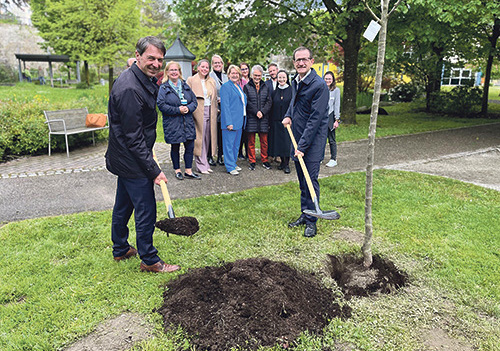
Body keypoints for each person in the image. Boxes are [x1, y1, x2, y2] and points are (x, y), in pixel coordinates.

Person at [105, 36, 180, 273]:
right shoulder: (129, 88)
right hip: (131, 159)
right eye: (151, 58)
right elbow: (133, 137)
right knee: (145, 207)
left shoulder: (140, 78)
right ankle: (149, 259)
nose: (156, 64)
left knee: (123, 205)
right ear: (138, 56)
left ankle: (120, 248)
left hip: (127, 156)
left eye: (160, 59)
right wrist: (154, 170)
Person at [282, 46, 330, 238]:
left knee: (311, 181)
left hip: (312, 141)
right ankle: (305, 212)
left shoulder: (319, 85)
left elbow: (316, 119)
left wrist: (302, 146)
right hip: (298, 138)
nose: (301, 63)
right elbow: (293, 103)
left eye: (304, 59)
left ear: (312, 61)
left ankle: (312, 221)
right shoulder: (297, 81)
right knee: (302, 181)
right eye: (297, 60)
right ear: (294, 63)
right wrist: (287, 115)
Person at [157, 61, 200, 181]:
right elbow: (161, 105)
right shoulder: (164, 87)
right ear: (167, 72)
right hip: (173, 123)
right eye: (171, 70)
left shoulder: (185, 86)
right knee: (175, 147)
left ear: (179, 72)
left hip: (187, 122)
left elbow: (194, 102)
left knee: (190, 146)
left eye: (176, 70)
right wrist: (177, 110)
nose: (174, 72)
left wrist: (188, 108)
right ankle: (177, 170)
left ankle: (188, 171)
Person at [187, 60, 218, 175]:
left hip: (210, 111)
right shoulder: (191, 80)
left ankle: (206, 163)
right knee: (200, 139)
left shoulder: (211, 81)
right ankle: (200, 165)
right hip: (198, 112)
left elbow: (213, 98)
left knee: (207, 138)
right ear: (198, 67)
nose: (205, 69)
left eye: (207, 67)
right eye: (203, 67)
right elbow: (188, 96)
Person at [244, 65, 272, 170]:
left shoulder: (266, 86)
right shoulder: (247, 87)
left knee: (264, 141)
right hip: (252, 117)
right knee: (251, 141)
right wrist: (256, 112)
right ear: (252, 75)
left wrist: (262, 112)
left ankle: (264, 160)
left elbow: (269, 102)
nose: (257, 77)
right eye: (255, 75)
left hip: (263, 118)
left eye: (259, 75)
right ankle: (252, 161)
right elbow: (247, 102)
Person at [220, 65, 247, 175]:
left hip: (239, 120)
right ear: (228, 75)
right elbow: (225, 106)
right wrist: (228, 122)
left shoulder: (238, 86)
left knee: (236, 145)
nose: (235, 75)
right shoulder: (226, 87)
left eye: (237, 73)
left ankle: (233, 163)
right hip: (230, 122)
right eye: (232, 73)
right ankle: (230, 166)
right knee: (229, 145)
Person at [268, 69, 292, 174]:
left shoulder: (291, 91)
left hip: (288, 122)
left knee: (286, 144)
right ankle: (282, 162)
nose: (281, 79)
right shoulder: (274, 91)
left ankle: (287, 164)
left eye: (283, 77)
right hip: (276, 122)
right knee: (279, 143)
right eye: (280, 77)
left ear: (287, 78)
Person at [209, 55, 228, 167]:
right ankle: (211, 155)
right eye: (215, 63)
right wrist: (216, 99)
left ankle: (220, 155)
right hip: (213, 108)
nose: (217, 65)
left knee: (221, 133)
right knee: (212, 133)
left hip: (224, 109)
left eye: (219, 63)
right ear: (212, 64)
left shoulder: (226, 76)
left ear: (222, 64)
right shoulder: (210, 76)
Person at [324, 71, 341, 167]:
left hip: (331, 116)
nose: (327, 80)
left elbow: (337, 105)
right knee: (321, 139)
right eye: (326, 79)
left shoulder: (336, 90)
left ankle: (333, 159)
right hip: (322, 117)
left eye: (329, 79)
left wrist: (337, 120)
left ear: (333, 80)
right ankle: (320, 158)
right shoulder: (321, 89)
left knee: (331, 139)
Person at [238, 62, 250, 160]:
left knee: (248, 132)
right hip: (241, 110)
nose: (245, 71)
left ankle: (248, 152)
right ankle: (240, 152)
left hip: (250, 109)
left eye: (246, 69)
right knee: (241, 131)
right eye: (242, 69)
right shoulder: (239, 82)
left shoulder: (251, 80)